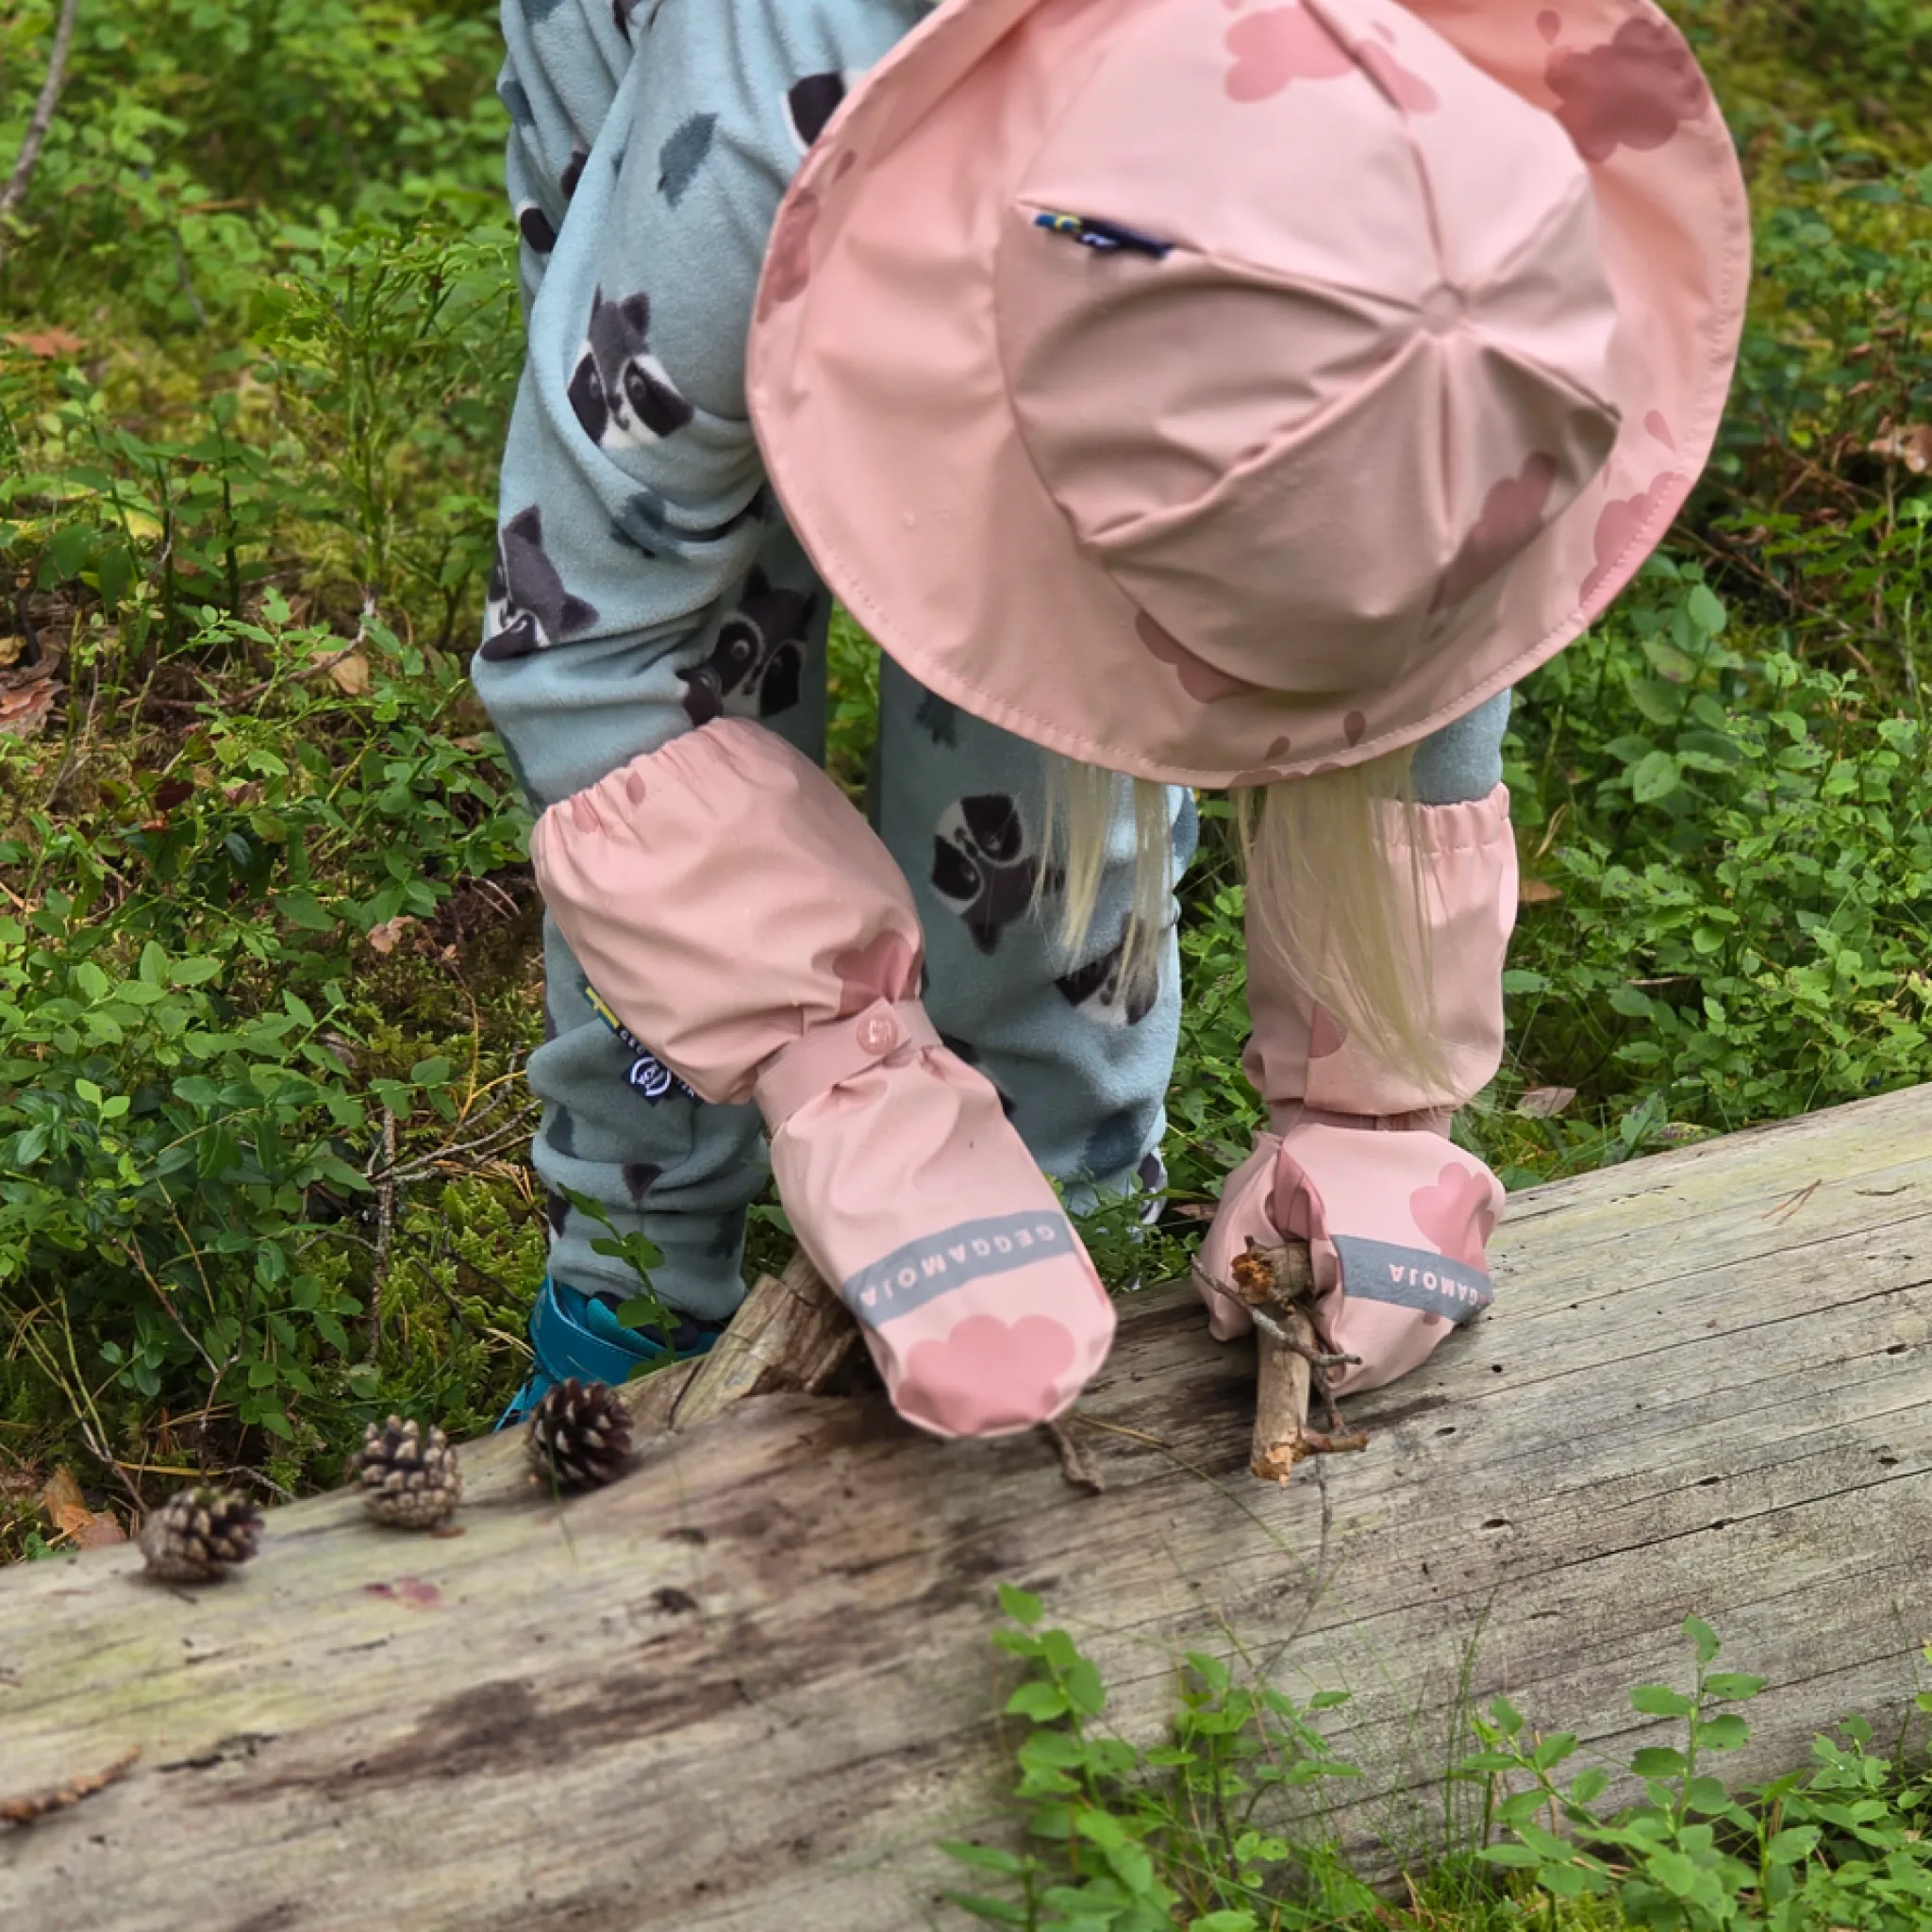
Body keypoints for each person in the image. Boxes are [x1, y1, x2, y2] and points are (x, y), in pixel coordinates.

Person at [482, 0, 1746, 1435]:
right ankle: (633, 1286)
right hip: (712, 91)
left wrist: (1372, 1103)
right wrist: (845, 1072)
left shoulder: (1469, 167)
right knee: (724, 656)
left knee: (1045, 765)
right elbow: (598, 648)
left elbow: (1423, 607)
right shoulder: (750, 125)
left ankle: (1070, 1199)